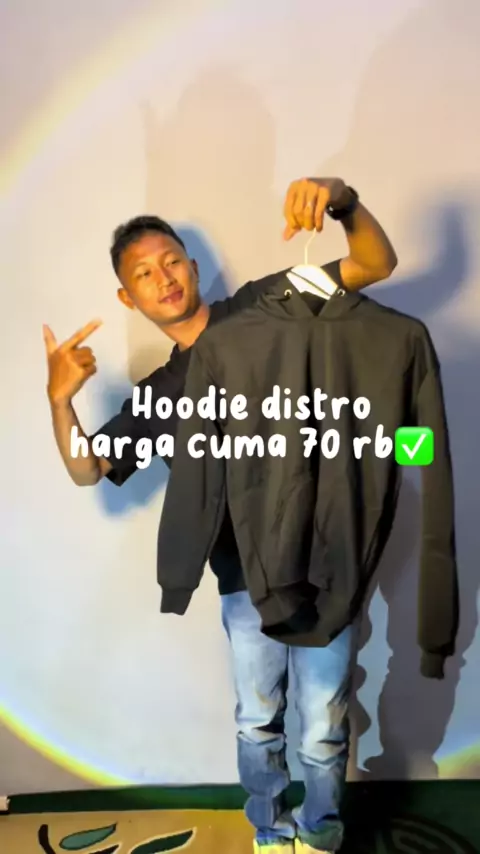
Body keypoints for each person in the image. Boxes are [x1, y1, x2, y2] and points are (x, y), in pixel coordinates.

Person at [44, 177, 398, 854]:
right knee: (258, 722)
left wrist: (343, 200)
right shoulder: (160, 395)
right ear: (128, 298)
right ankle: (271, 831)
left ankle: (321, 834)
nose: (163, 278)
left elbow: (374, 264)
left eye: (171, 261)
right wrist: (60, 402)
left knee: (322, 724)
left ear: (193, 267)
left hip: (325, 563)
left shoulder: (271, 303)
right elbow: (88, 468)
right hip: (242, 583)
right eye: (144, 274)